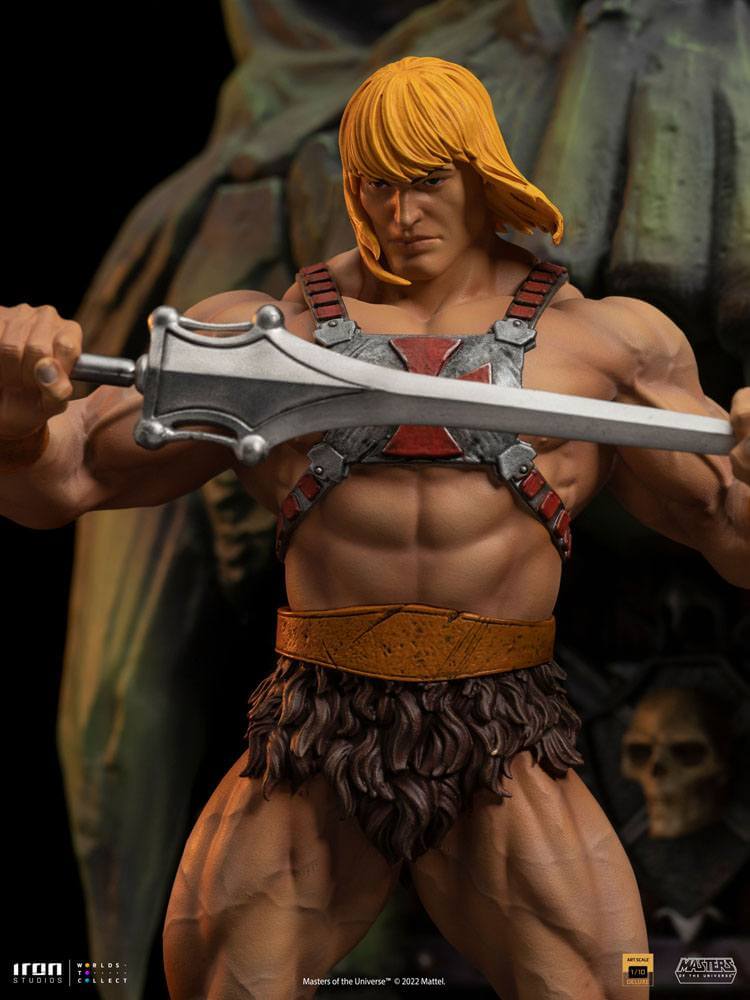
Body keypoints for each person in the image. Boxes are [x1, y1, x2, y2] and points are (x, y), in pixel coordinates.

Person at [1, 56, 748, 999]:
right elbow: (62, 480)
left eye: (427, 181)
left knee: (608, 984)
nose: (401, 214)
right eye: (377, 185)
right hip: (317, 727)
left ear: (480, 173)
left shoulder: (605, 344)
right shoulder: (261, 342)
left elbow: (729, 530)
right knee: (217, 983)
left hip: (501, 727)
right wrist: (16, 414)